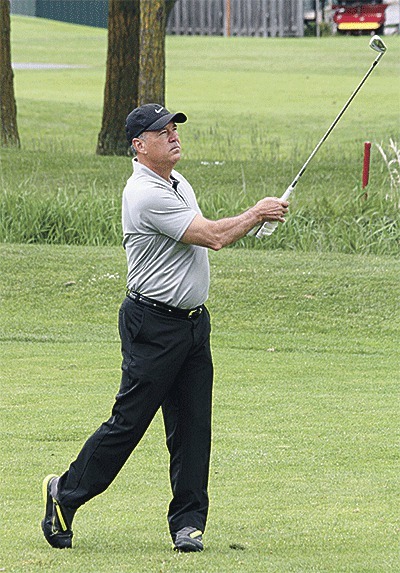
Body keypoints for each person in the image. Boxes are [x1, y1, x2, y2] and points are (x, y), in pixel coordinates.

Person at [41, 103, 289, 553]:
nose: (173, 135)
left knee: (193, 427)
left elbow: (207, 234)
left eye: (174, 128)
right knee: (128, 423)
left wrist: (251, 225)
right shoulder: (144, 193)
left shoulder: (177, 183)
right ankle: (65, 494)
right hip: (152, 325)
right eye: (162, 131)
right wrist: (254, 214)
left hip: (193, 325)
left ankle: (187, 525)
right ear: (140, 146)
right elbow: (212, 235)